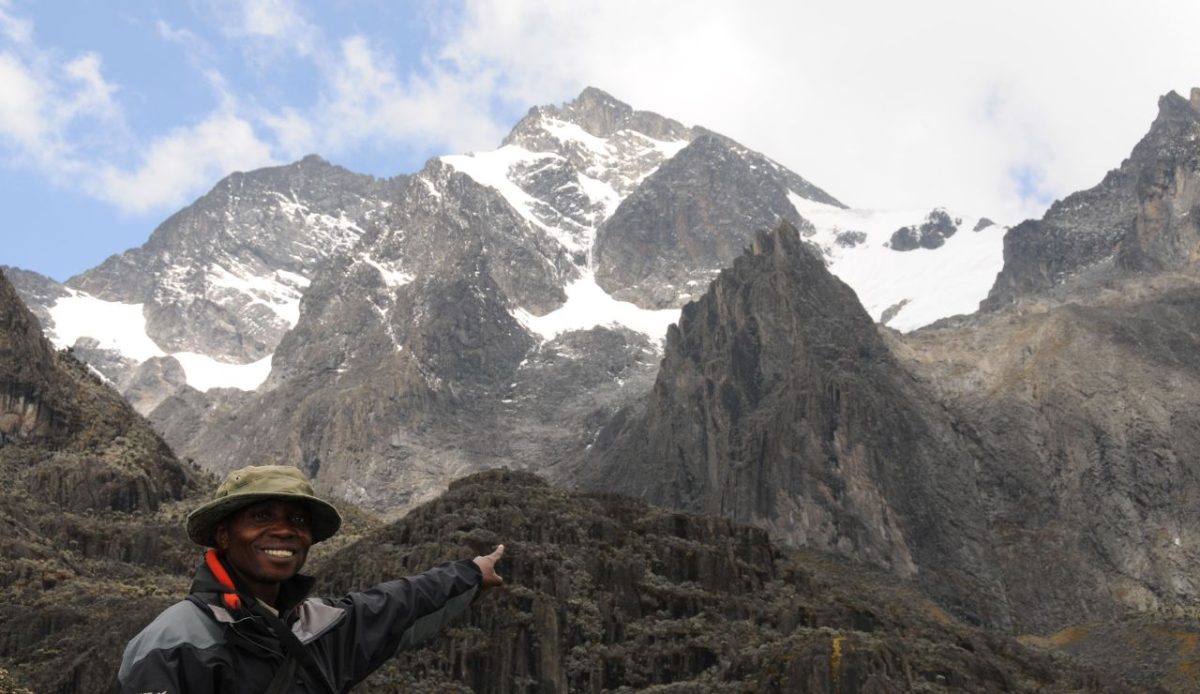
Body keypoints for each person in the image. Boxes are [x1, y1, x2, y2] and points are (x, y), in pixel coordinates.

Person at [118, 464, 504, 693]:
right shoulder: (174, 642)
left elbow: (397, 606)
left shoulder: (317, 627)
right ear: (223, 534)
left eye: (298, 520)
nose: (284, 531)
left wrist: (470, 574)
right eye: (262, 516)